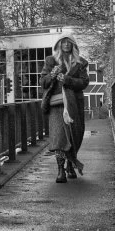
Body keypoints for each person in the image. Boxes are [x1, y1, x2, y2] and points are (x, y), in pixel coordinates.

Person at [40, 36, 89, 183]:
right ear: (59, 45)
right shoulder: (51, 61)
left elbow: (84, 82)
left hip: (74, 104)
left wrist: (68, 80)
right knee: (59, 137)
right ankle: (60, 169)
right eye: (63, 42)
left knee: (75, 135)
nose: (66, 44)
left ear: (73, 45)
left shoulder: (80, 62)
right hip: (57, 104)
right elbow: (43, 82)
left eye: (69, 42)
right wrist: (52, 75)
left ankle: (70, 165)